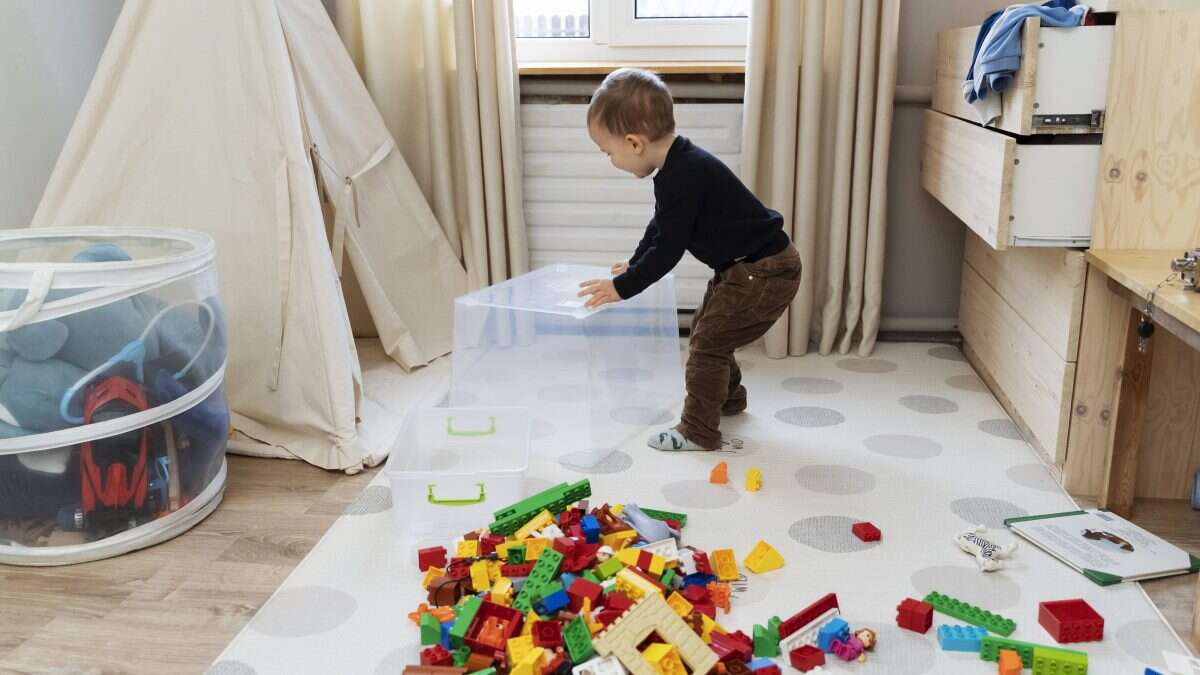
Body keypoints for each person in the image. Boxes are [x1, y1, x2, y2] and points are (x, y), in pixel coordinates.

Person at [577, 68, 802, 452]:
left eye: (607, 152)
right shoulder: (675, 167)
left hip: (764, 271)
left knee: (708, 344)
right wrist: (634, 263)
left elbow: (669, 249)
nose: (609, 160)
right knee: (707, 330)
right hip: (745, 267)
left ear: (633, 143)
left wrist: (623, 287)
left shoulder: (684, 173)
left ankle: (698, 430)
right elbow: (662, 227)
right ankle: (729, 399)